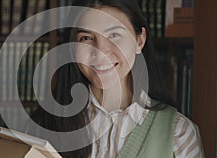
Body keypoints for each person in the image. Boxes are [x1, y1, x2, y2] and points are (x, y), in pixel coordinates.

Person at [28, 0, 204, 157]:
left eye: (114, 35)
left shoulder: (178, 132)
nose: (100, 51)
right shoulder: (41, 126)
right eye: (87, 38)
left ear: (139, 41)